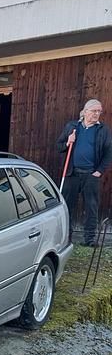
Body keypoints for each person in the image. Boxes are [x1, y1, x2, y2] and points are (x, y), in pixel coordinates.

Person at [56, 99, 112, 246]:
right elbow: (59, 146)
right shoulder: (73, 127)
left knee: (91, 207)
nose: (97, 114)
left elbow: (109, 153)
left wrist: (99, 171)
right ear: (85, 111)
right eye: (94, 111)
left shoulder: (103, 130)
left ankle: (90, 239)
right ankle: (66, 237)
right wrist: (68, 142)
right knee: (67, 205)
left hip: (91, 175)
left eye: (99, 111)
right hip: (72, 173)